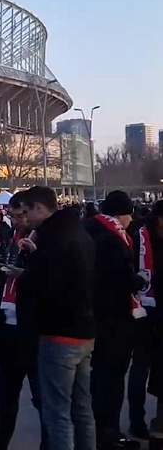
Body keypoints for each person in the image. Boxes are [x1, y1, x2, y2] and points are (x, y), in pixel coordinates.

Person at [16, 186, 96, 450]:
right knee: (82, 408)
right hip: (84, 329)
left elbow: (47, 285)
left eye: (27, 211)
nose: (26, 218)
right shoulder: (79, 232)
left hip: (58, 331)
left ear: (39, 208)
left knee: (58, 412)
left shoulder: (52, 238)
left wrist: (26, 274)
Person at [0, 192, 48, 450]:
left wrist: (32, 259)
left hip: (32, 329)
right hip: (7, 327)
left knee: (42, 397)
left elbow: (49, 279)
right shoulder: (11, 236)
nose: (18, 220)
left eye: (21, 215)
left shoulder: (44, 238)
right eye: (13, 216)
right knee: (5, 396)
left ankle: (49, 443)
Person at [83, 190, 145, 450]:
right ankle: (109, 434)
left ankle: (98, 432)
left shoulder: (89, 230)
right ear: (122, 214)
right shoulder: (112, 238)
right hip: (114, 318)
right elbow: (118, 279)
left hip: (95, 315)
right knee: (112, 377)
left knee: (99, 376)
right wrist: (138, 281)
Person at [129, 200, 163, 441]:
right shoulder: (139, 236)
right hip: (143, 310)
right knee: (140, 367)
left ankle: (159, 419)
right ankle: (137, 420)